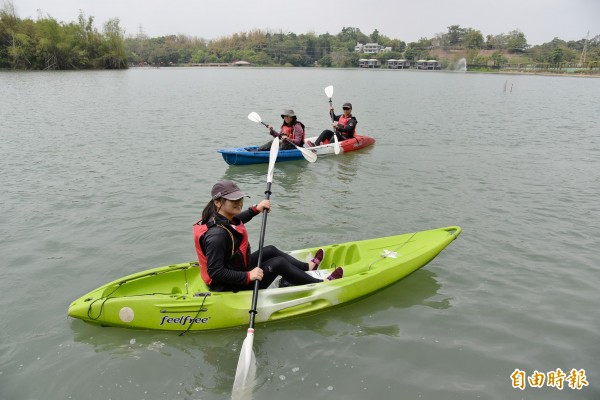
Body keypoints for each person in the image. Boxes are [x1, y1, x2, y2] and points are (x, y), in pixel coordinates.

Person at [193, 180, 343, 292]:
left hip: (235, 267)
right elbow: (215, 272)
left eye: (240, 198)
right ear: (217, 202)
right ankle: (321, 284)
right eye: (233, 200)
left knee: (270, 250)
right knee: (277, 263)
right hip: (228, 285)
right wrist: (248, 276)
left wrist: (255, 209)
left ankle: (308, 266)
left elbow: (235, 222)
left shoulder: (218, 217)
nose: (239, 203)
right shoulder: (217, 236)